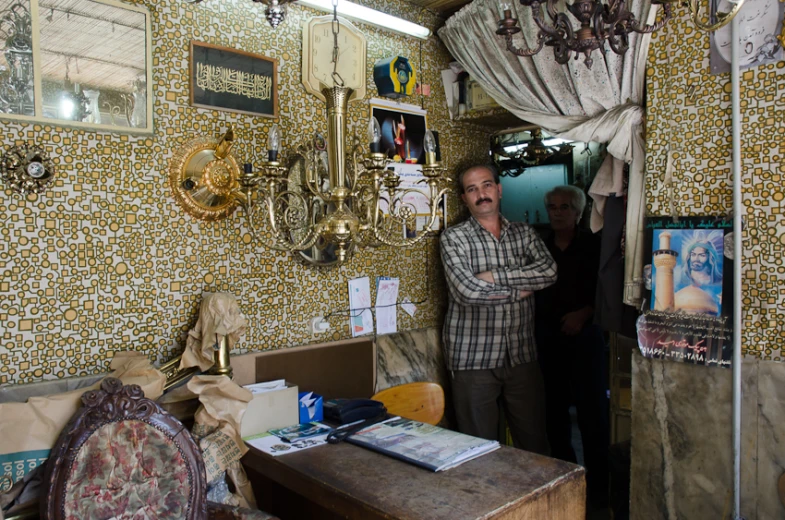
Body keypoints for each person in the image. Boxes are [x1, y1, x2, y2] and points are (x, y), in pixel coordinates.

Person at [440, 164, 557, 456]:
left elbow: (549, 272)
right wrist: (522, 289)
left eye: (487, 185)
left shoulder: (524, 233)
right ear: (464, 198)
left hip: (521, 355)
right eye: (472, 189)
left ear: (499, 189)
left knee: (534, 446)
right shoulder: (453, 238)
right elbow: (466, 291)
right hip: (472, 359)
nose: (481, 194)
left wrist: (494, 277)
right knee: (477, 451)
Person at [535, 185, 609, 508]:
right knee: (554, 418)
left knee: (593, 418)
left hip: (586, 341)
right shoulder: (539, 246)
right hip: (548, 342)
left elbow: (606, 293)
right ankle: (566, 485)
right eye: (552, 207)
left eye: (565, 207)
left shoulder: (595, 246)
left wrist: (584, 314)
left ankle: (598, 493)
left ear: (578, 213)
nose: (557, 212)